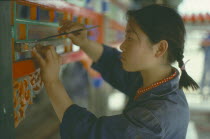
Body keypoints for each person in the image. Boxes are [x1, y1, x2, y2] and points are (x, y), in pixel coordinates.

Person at [32, 4, 199, 139]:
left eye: (130, 38)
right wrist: (84, 42)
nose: (122, 45)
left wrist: (52, 82)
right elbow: (115, 65)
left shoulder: (154, 118)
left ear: (159, 49)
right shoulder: (159, 82)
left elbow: (91, 134)